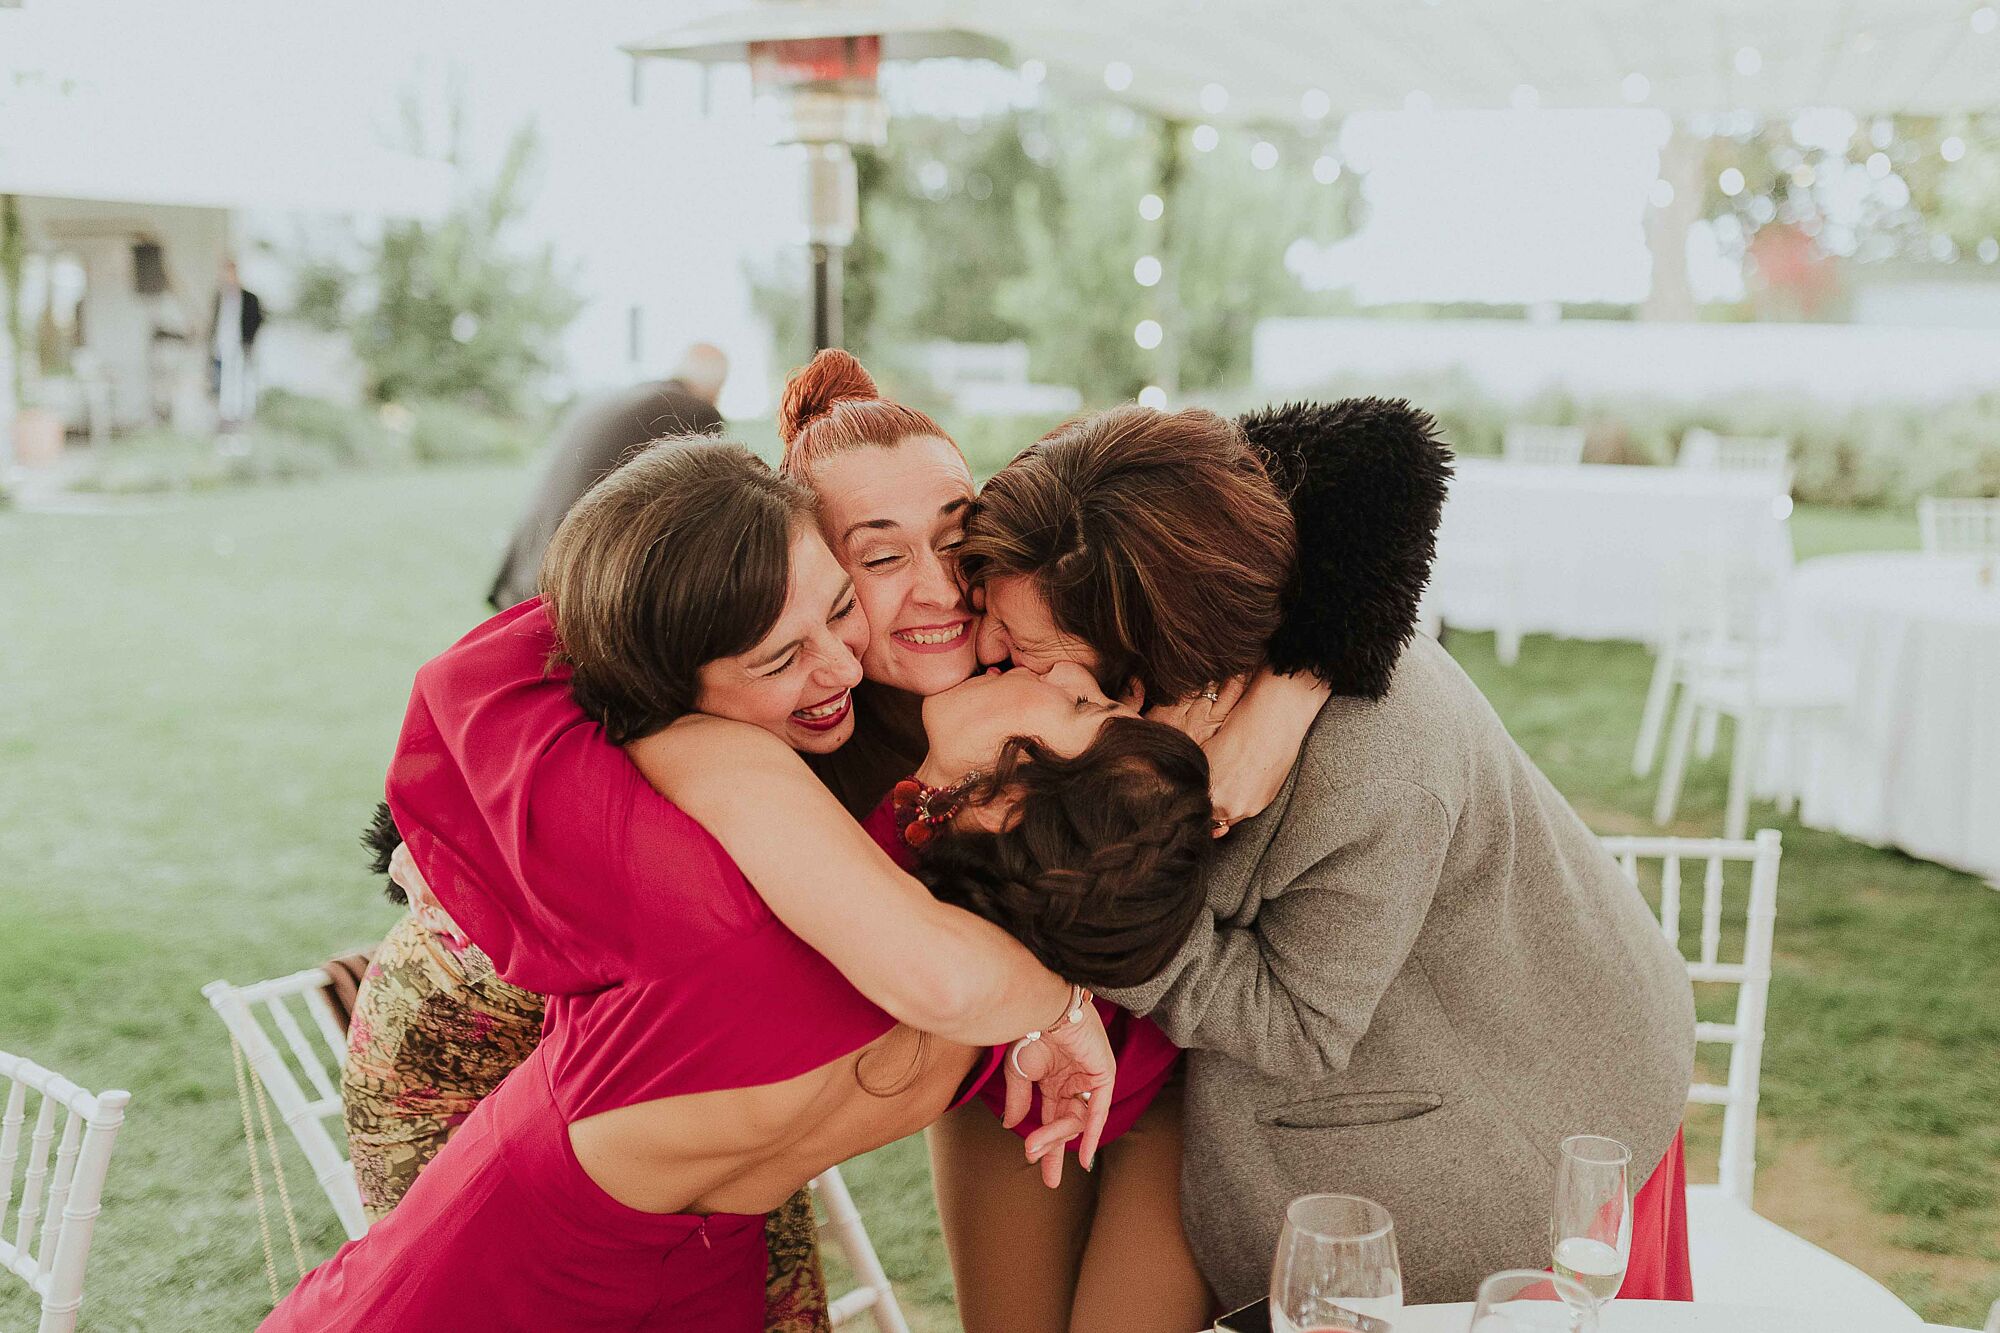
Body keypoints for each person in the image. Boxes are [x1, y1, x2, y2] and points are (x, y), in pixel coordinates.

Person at [266, 437, 1210, 1330]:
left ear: (1006, 796)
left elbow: (482, 674)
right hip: (658, 1278)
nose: (843, 661)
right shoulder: (961, 1027)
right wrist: (1055, 999)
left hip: (515, 1271)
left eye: (1081, 705)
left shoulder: (717, 845)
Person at [952, 398, 1699, 1308]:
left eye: (1029, 647)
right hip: (1210, 1081)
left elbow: (1298, 1024)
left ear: (1148, 661)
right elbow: (1368, 442)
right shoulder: (1192, 559)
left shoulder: (1372, 769)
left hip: (1519, 1092)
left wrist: (1097, 925)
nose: (988, 648)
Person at [487, 343, 730, 609]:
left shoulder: (620, 398)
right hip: (568, 587)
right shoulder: (692, 411)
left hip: (525, 572)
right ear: (717, 388)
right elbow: (704, 516)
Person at [210, 258, 263, 431]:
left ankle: (239, 419)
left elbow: (257, 319)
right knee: (223, 382)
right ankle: (225, 419)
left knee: (240, 382)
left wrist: (248, 340)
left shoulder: (248, 298)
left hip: (240, 345)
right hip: (222, 346)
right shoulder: (220, 296)